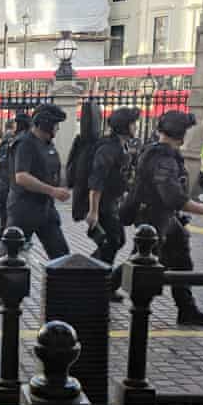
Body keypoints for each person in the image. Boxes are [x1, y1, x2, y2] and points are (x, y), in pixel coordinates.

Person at [130, 112, 203, 325]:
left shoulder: (156, 151)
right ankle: (100, 290)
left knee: (180, 257)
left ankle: (187, 309)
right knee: (141, 261)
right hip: (155, 219)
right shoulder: (164, 159)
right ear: (180, 135)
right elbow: (173, 197)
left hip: (162, 218)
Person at [7, 104, 71, 259]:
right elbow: (21, 177)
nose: (57, 128)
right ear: (45, 124)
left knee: (61, 254)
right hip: (24, 208)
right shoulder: (25, 143)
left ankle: (59, 283)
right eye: (55, 124)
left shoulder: (47, 144)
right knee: (11, 255)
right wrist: (53, 191)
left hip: (45, 208)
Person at [85, 108, 139, 294]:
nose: (135, 126)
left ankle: (98, 283)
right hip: (103, 204)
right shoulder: (108, 148)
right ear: (124, 126)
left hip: (112, 202)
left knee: (114, 242)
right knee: (112, 242)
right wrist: (93, 211)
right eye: (133, 123)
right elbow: (97, 180)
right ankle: (95, 283)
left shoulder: (121, 146)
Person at [0, 115, 31, 242]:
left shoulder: (13, 141)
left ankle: (5, 233)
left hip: (9, 182)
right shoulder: (25, 139)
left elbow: (4, 164)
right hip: (14, 182)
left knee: (7, 210)